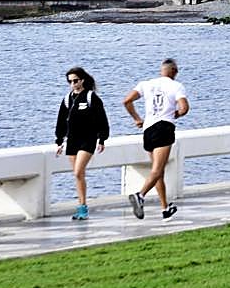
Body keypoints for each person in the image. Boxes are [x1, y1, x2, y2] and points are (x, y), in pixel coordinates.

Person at [123, 58, 189, 220]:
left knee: (157, 171)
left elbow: (127, 101)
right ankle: (140, 195)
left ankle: (165, 208)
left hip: (148, 129)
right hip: (164, 128)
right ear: (174, 71)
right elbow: (184, 108)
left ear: (161, 70)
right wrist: (177, 114)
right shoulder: (177, 86)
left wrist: (137, 119)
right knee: (158, 170)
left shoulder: (146, 84)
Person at [54, 66, 110, 221]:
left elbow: (102, 119)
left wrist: (102, 139)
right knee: (78, 176)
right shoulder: (67, 99)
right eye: (70, 82)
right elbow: (61, 122)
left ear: (82, 80)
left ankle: (83, 207)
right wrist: (59, 140)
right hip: (72, 140)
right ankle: (81, 205)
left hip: (88, 140)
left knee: (78, 171)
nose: (73, 84)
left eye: (75, 81)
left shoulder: (91, 97)